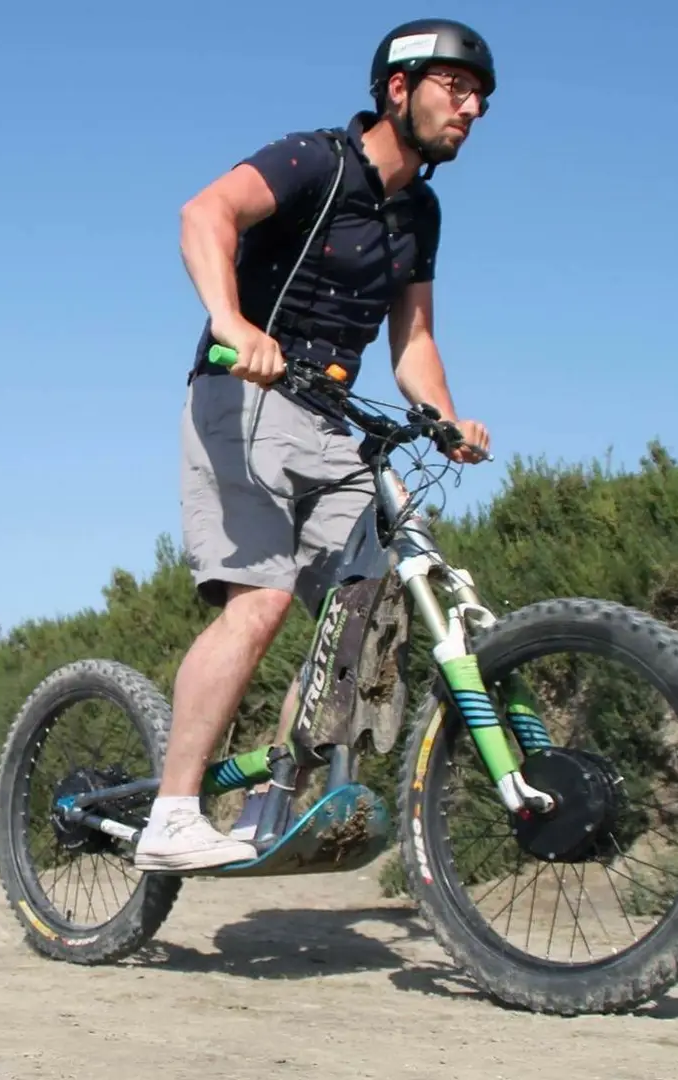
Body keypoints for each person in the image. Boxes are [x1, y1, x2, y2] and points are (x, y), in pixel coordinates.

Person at [133, 18, 497, 872]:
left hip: (331, 424)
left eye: (481, 96)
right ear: (399, 89)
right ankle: (173, 812)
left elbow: (414, 341)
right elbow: (205, 214)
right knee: (258, 602)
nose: (472, 107)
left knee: (365, 617)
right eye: (456, 87)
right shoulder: (315, 160)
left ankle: (273, 794)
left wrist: (445, 418)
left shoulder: (421, 212)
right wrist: (232, 323)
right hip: (243, 395)